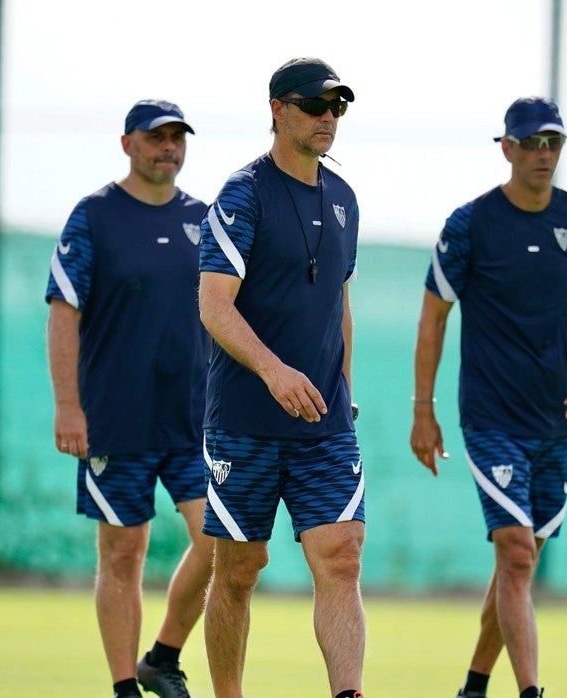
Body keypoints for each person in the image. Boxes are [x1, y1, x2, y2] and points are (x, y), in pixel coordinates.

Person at [409, 96, 567, 698]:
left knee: (517, 561)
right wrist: (422, 411)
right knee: (517, 553)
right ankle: (531, 691)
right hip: (489, 417)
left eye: (552, 143)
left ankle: (473, 687)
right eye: (530, 143)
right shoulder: (470, 224)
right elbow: (433, 319)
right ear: (505, 147)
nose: (542, 154)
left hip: (555, 420)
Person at [197, 57, 366, 698]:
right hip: (244, 420)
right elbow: (214, 304)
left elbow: (339, 304)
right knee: (240, 569)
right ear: (278, 109)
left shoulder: (346, 199)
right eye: (317, 105)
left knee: (341, 555)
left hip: (324, 424)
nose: (330, 118)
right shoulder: (242, 195)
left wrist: (344, 388)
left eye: (338, 108)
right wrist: (273, 371)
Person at [46, 99, 214, 698]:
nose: (168, 147)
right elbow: (63, 310)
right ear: (127, 144)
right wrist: (69, 406)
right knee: (123, 552)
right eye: (155, 138)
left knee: (219, 544)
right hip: (115, 420)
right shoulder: (94, 216)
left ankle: (162, 656)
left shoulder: (206, 218)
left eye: (177, 138)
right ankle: (124, 688)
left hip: (195, 420)